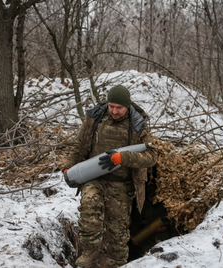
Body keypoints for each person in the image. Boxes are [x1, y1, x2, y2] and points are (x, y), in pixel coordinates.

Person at [62, 85, 157, 268]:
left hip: (122, 184)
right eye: (111, 106)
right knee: (90, 204)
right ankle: (90, 252)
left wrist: (124, 157)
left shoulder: (138, 125)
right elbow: (78, 145)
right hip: (94, 178)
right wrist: (68, 167)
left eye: (119, 108)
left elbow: (152, 156)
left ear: (127, 106)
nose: (114, 111)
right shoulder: (95, 118)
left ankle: (115, 264)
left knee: (118, 236)